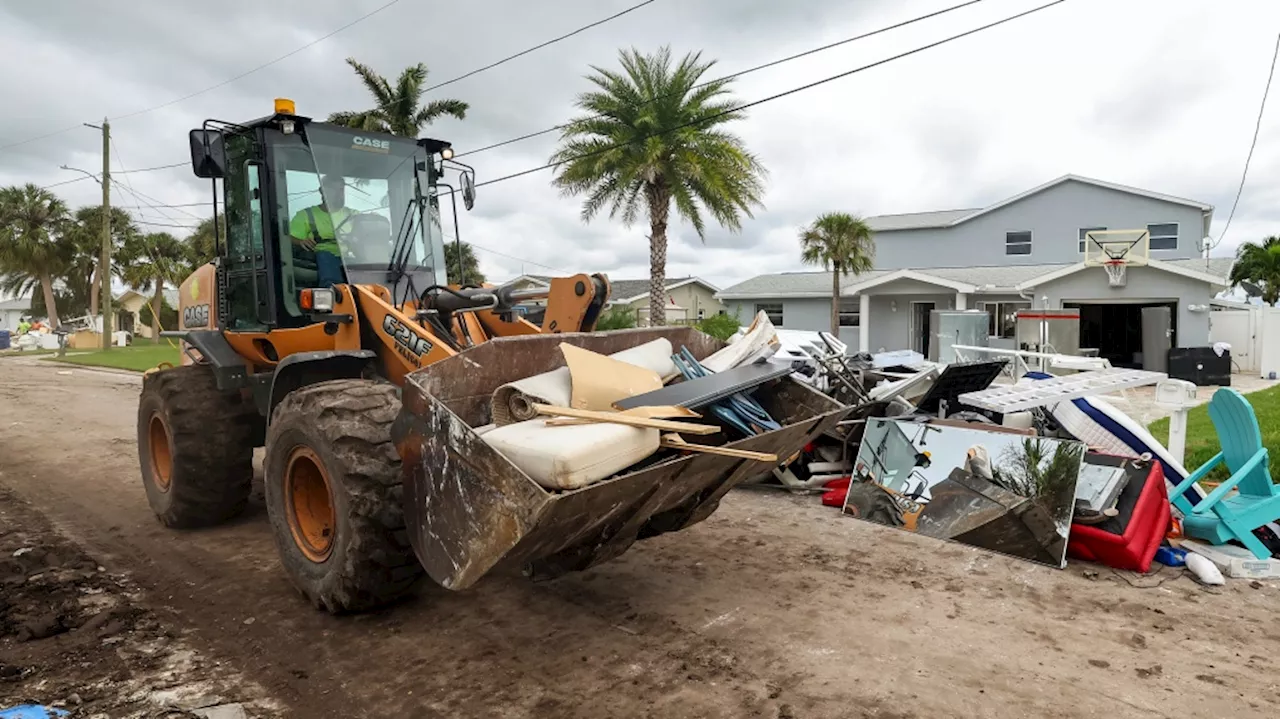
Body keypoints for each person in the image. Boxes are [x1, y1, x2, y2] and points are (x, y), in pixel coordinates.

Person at [288, 174, 352, 287]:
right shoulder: (306, 215)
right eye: (334, 190)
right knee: (325, 256)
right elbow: (287, 238)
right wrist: (301, 242)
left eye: (341, 190)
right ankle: (333, 292)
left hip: (349, 257)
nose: (339, 194)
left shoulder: (353, 215)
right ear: (322, 191)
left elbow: (366, 231)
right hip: (322, 256)